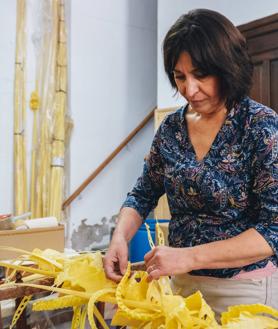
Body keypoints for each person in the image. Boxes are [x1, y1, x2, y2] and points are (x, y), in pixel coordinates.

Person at [104, 8, 278, 316]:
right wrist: (119, 237)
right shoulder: (171, 129)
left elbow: (272, 230)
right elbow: (142, 193)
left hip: (244, 290)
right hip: (182, 286)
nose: (190, 90)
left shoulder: (260, 126)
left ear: (227, 68)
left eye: (201, 75)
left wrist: (189, 257)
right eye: (179, 76)